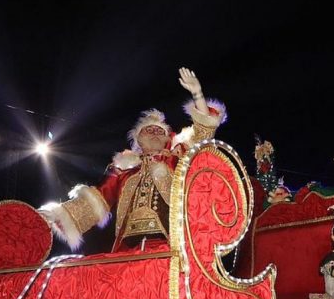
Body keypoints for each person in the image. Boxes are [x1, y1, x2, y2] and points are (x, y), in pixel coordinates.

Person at [40, 67, 226, 253]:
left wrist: (197, 94)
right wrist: (56, 215)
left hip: (172, 246)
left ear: (168, 138)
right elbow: (97, 199)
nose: (154, 132)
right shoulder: (124, 169)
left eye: (159, 130)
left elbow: (203, 132)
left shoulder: (177, 159)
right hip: (128, 249)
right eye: (149, 130)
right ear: (138, 140)